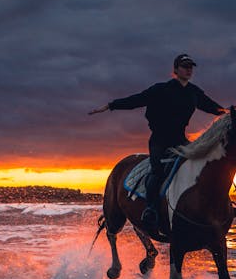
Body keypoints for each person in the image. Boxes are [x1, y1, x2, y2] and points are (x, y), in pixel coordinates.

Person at [89, 53, 226, 232]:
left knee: (199, 167)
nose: (188, 70)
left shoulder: (194, 92)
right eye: (185, 66)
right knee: (157, 171)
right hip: (159, 140)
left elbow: (212, 107)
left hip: (180, 141)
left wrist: (230, 112)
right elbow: (137, 100)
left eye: (191, 67)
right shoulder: (161, 89)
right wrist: (111, 105)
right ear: (176, 70)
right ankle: (151, 209)